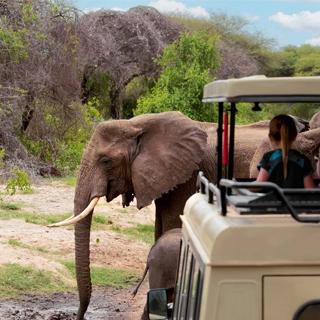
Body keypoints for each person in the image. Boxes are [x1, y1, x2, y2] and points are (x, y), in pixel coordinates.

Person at [255, 114, 316, 188]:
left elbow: (258, 186)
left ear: (270, 137)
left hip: (274, 200)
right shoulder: (303, 160)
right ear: (295, 136)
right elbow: (310, 189)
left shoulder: (269, 158)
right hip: (296, 200)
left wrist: (239, 186)